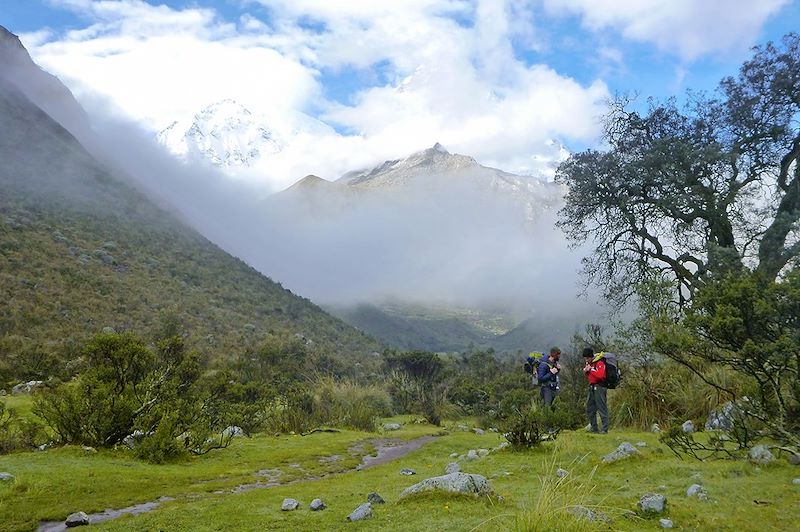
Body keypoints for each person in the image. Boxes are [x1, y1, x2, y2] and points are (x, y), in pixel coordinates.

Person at [583, 347, 608, 433]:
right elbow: (591, 376)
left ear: (591, 357)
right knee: (590, 408)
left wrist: (590, 370)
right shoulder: (590, 364)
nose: (586, 360)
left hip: (600, 387)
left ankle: (605, 429)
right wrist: (587, 371)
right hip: (592, 387)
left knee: (601, 407)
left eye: (587, 358)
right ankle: (594, 428)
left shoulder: (600, 363)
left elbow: (601, 375)